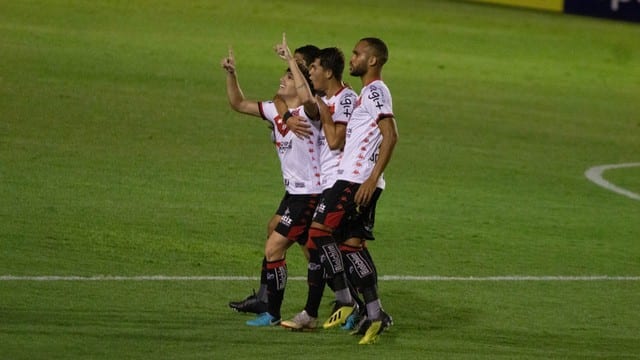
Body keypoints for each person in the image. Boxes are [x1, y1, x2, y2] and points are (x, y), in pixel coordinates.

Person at [221, 45, 322, 326]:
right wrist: (232, 74)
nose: (282, 79)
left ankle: (272, 312)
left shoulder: (309, 112)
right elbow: (238, 103)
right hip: (293, 193)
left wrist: (292, 62)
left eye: (289, 77)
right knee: (293, 240)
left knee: (274, 248)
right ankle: (268, 298)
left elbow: (305, 95)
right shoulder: (276, 111)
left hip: (309, 193)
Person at [306, 37, 398, 345]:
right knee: (350, 246)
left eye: (358, 54)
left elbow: (391, 135)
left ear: (372, 61)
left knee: (318, 233)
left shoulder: (375, 91)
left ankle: (346, 299)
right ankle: (375, 313)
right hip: (356, 178)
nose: (354, 58)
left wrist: (372, 179)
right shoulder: (366, 95)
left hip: (356, 181)